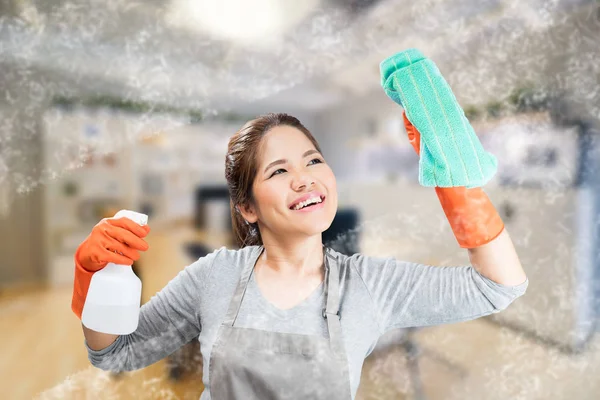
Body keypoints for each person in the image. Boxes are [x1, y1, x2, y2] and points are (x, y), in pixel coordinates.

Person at [72, 112, 528, 399]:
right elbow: (115, 353)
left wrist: (454, 180)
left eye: (313, 161)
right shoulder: (214, 276)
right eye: (279, 170)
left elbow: (498, 286)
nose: (305, 178)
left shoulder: (369, 284)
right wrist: (95, 282)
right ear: (247, 207)